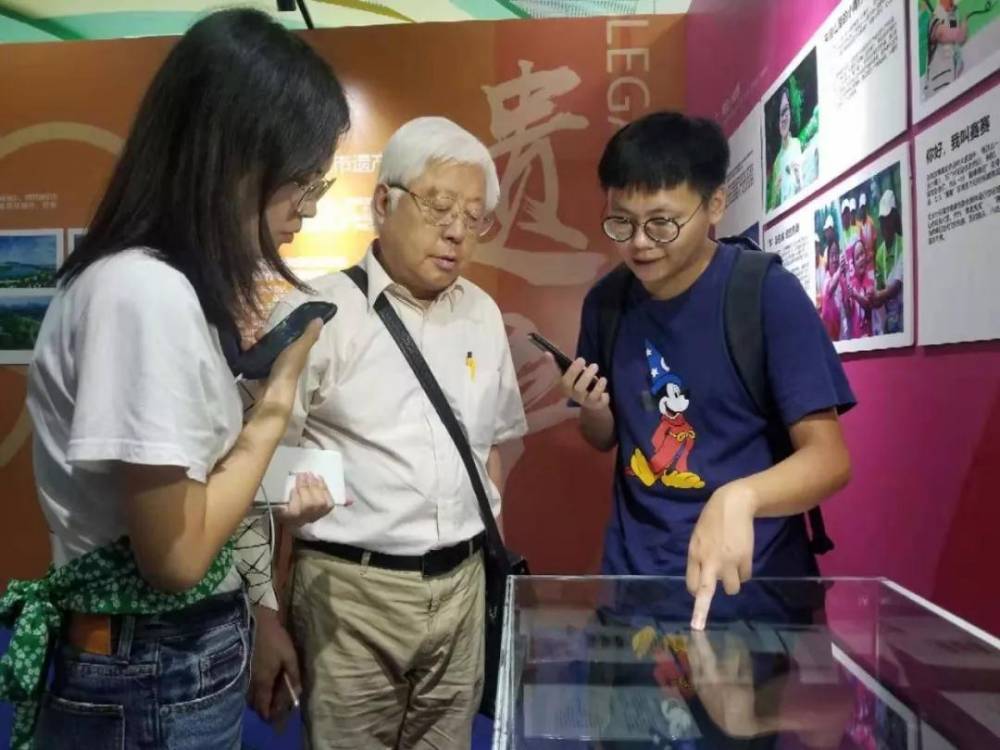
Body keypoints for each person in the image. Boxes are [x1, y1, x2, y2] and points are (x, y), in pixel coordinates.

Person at [0, 10, 350, 749]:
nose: (309, 207)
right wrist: (275, 404)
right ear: (236, 160)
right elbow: (177, 557)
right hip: (152, 667)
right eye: (302, 181)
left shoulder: (150, 285)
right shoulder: (144, 293)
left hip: (157, 657)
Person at [249, 116, 527, 749]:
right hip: (348, 594)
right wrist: (265, 614)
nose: (457, 231)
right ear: (383, 203)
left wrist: (491, 568)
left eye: (474, 217)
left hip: (462, 590)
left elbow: (489, 453)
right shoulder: (315, 313)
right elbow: (253, 471)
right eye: (440, 207)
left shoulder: (482, 314)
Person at [555, 111, 854, 631]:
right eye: (621, 222)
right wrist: (595, 409)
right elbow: (604, 439)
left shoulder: (765, 295)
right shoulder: (606, 302)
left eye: (662, 222)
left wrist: (740, 496)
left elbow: (829, 459)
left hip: (754, 594)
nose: (639, 242)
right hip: (636, 588)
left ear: (715, 204)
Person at [872, 189, 904, 334]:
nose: (885, 224)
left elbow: (897, 286)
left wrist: (878, 295)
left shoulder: (903, 244)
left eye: (888, 218)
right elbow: (880, 286)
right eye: (882, 220)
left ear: (894, 218)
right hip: (890, 318)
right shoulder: (879, 254)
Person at [926, 0, 967, 97]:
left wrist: (952, 15)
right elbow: (955, 35)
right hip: (938, 86)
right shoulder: (934, 20)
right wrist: (964, 23)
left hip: (952, 79)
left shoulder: (950, 16)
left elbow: (957, 38)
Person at [771, 88, 803, 206]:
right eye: (780, 115)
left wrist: (798, 178)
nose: (783, 118)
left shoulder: (797, 144)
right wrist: (776, 195)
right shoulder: (777, 163)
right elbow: (773, 207)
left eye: (785, 111)